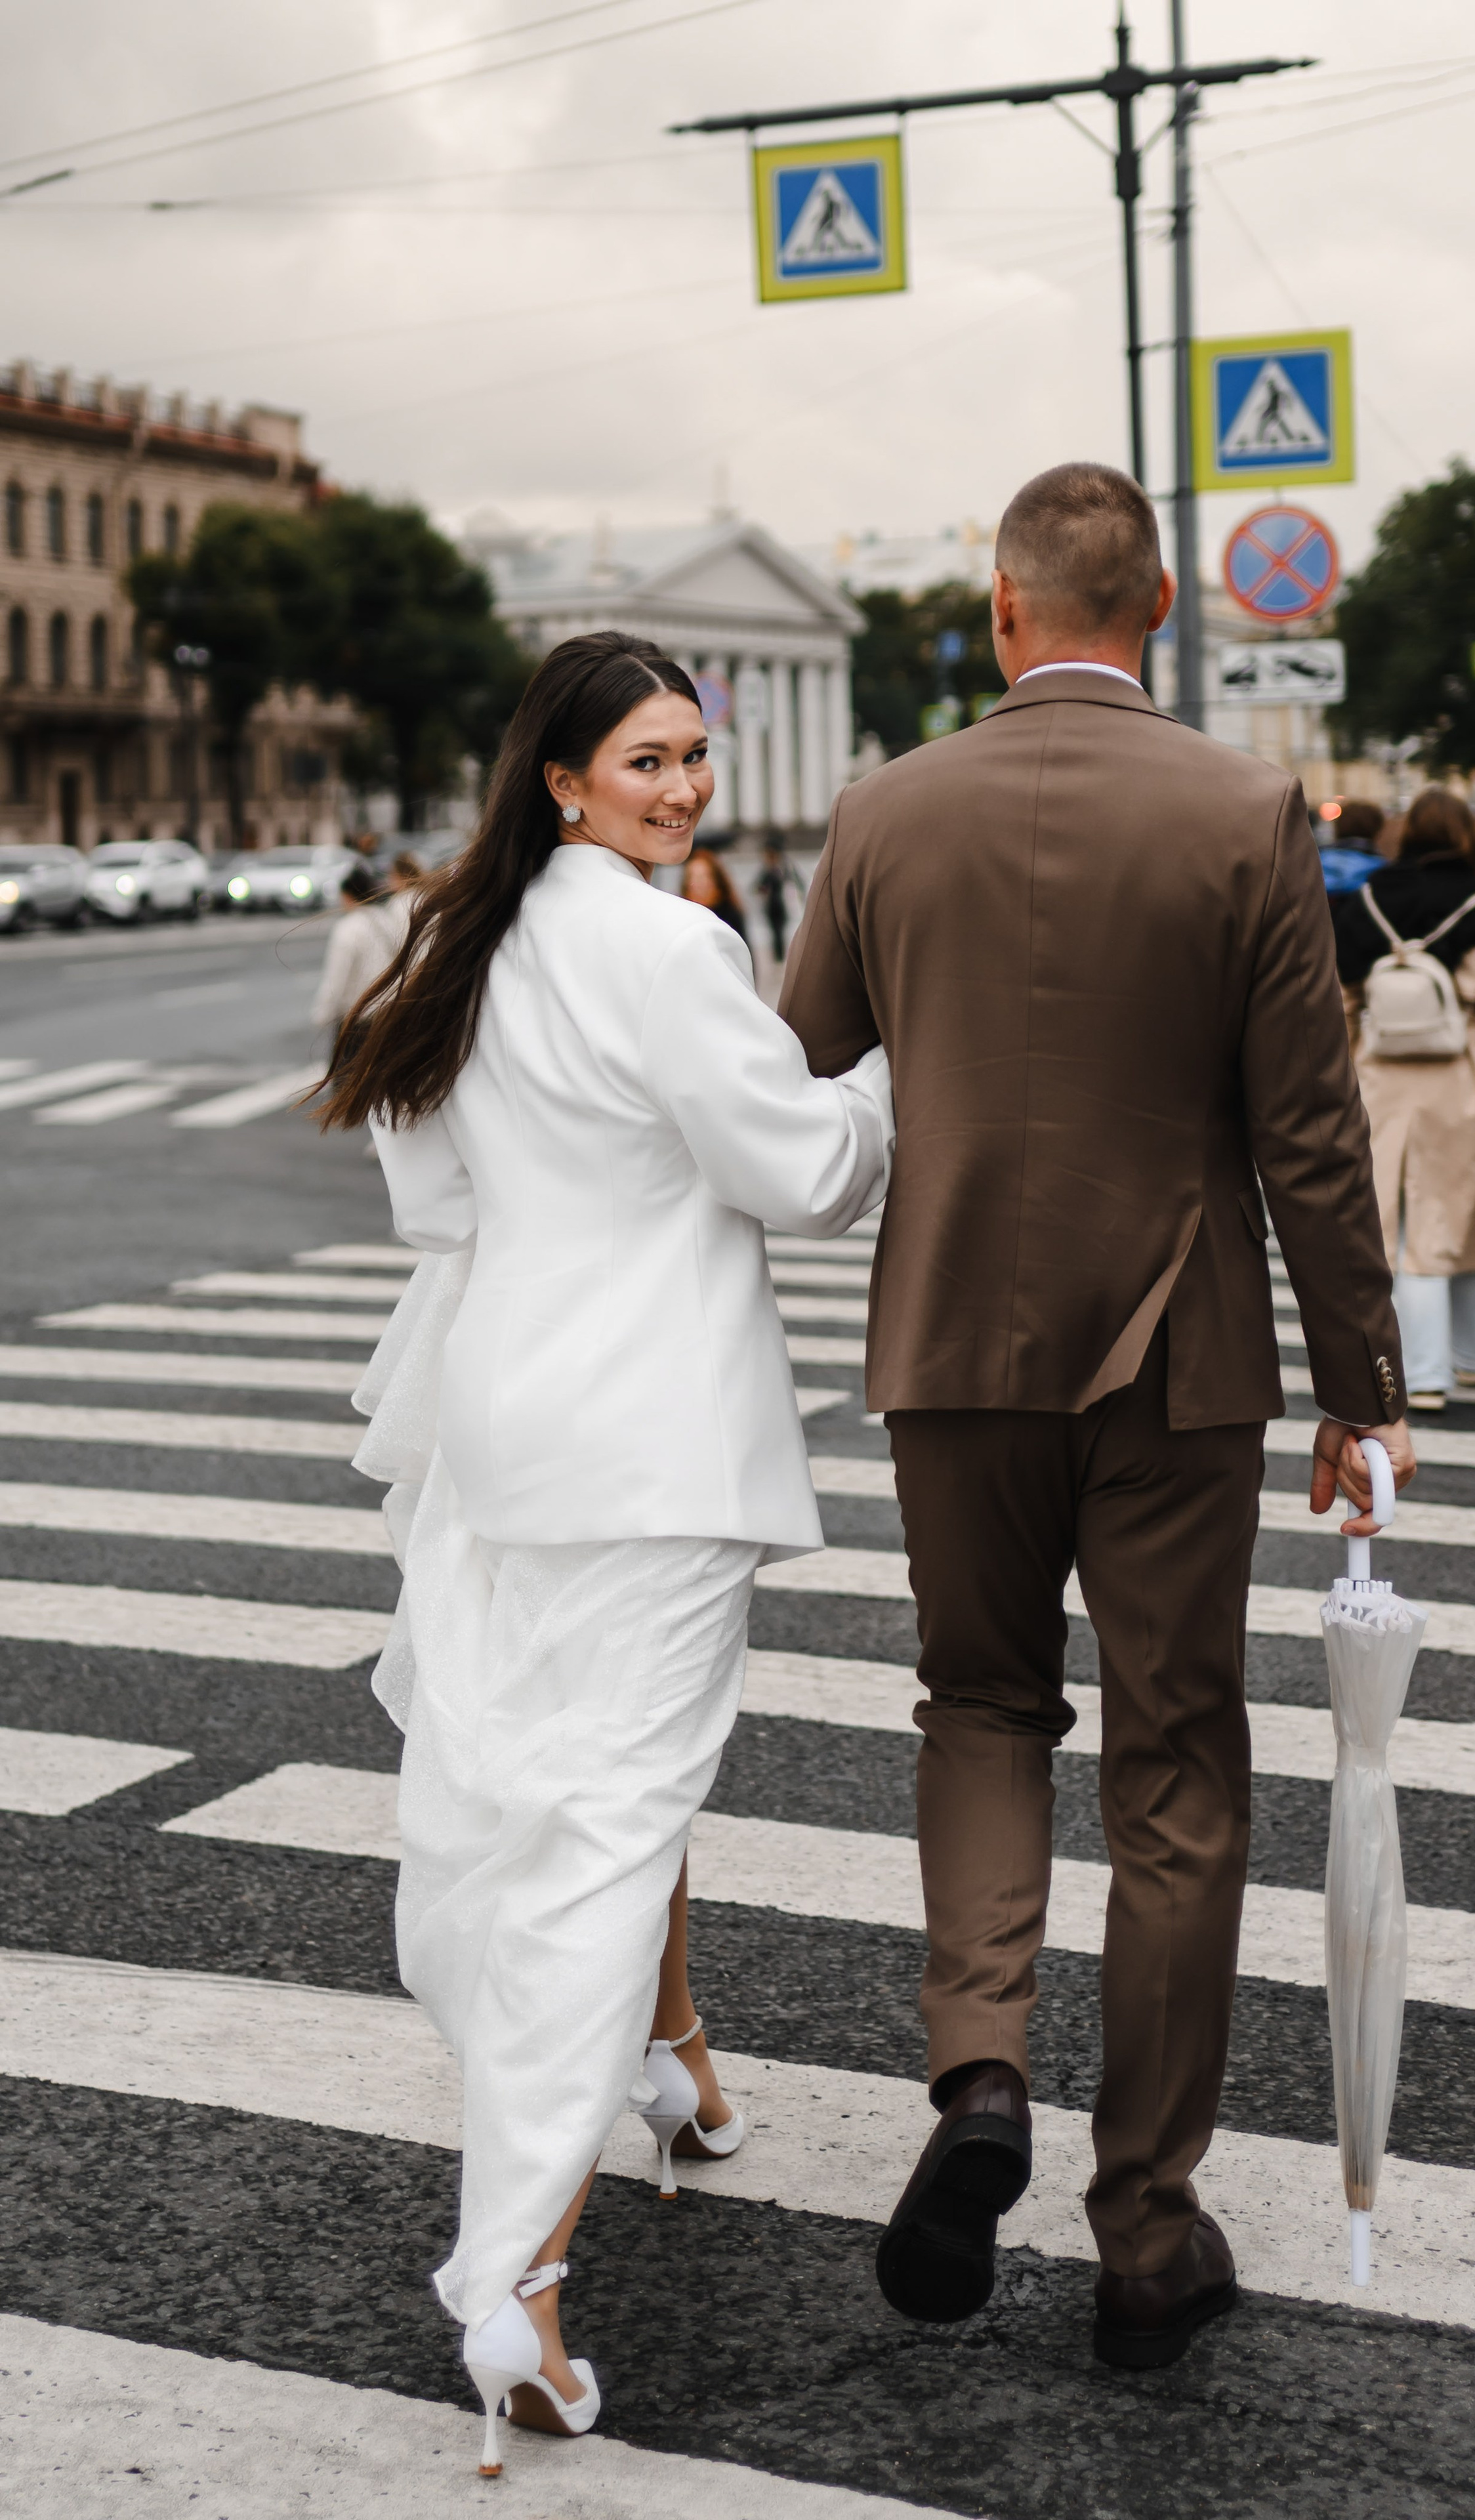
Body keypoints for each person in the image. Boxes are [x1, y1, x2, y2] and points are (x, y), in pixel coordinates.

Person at [780, 461, 1415, 2374]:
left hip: (946, 1347)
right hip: (1174, 1362)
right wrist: (1360, 1390)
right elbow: (1307, 1130)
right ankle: (1144, 2224)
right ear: (1154, 612)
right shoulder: (1237, 806)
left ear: (995, 612)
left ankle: (978, 2068)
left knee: (977, 1705)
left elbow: (798, 1065)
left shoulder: (883, 809)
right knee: (1173, 1769)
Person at [318, 632, 893, 2472]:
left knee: (521, 1790)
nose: (683, 786)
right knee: (614, 1817)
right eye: (648, 759)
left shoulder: (455, 947)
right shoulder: (669, 944)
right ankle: (517, 2281)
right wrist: (886, 1082)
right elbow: (802, 1173)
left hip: (504, 1428)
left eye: (692, 756)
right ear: (563, 778)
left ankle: (667, 2068)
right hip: (653, 1445)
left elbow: (437, 1203)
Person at [1335, 786, 1475, 1409]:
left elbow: (1338, 1004)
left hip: (1380, 1079)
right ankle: (1466, 1358)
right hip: (1465, 1076)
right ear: (1468, 837)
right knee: (1468, 1217)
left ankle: (1420, 1370)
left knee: (1400, 1228)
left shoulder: (1367, 900)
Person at [310, 856, 421, 1043]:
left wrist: (323, 1014)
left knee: (349, 1072)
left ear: (348, 896)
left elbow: (337, 978)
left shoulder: (348, 928)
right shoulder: (386, 919)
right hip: (389, 1014)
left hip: (358, 1021)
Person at [680, 844, 748, 942]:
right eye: (693, 877)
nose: (699, 883)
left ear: (715, 880)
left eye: (704, 876)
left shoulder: (729, 913)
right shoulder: (682, 912)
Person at [755, 831, 804, 962]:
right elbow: (758, 886)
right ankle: (779, 957)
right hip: (773, 906)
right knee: (776, 932)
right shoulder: (768, 869)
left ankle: (780, 957)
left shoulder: (784, 867)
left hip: (782, 905)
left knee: (779, 931)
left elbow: (798, 882)